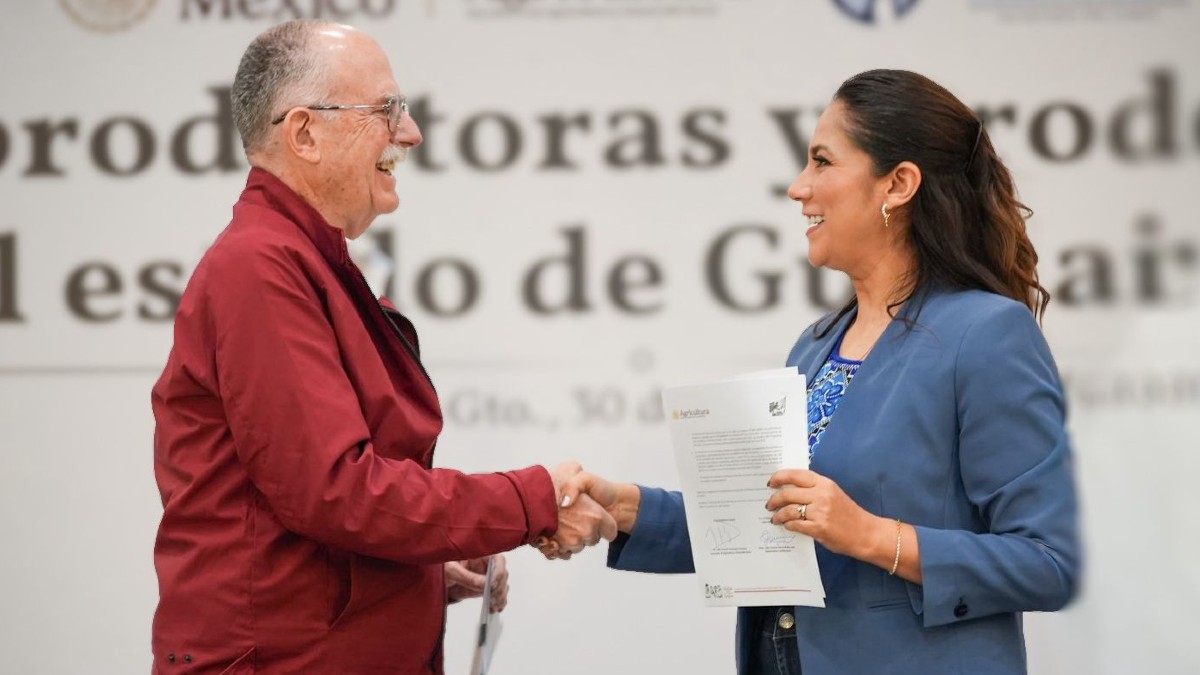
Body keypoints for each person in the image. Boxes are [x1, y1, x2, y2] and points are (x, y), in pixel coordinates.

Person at [552, 69, 1081, 674]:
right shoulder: (815, 344)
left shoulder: (987, 334)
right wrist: (622, 507)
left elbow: (1047, 562)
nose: (798, 188)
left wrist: (871, 536)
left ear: (899, 184)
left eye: (822, 162)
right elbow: (773, 528)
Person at [150, 20, 613, 674]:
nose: (412, 132)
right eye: (386, 109)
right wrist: (532, 499)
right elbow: (337, 489)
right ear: (305, 133)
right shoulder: (258, 268)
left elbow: (307, 510)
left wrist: (419, 576)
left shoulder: (306, 261)